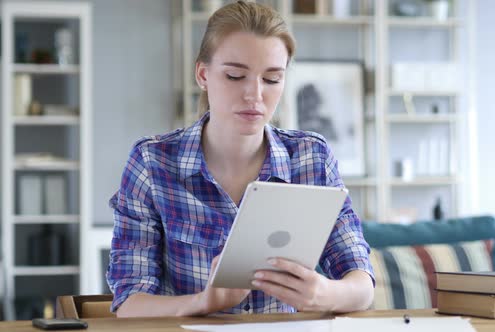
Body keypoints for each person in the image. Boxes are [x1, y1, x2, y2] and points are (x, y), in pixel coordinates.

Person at [107, 1, 374, 317]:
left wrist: (324, 292)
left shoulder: (311, 158)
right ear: (203, 75)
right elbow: (128, 303)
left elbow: (361, 285)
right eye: (235, 76)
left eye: (272, 79)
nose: (255, 95)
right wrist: (202, 302)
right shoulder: (153, 163)